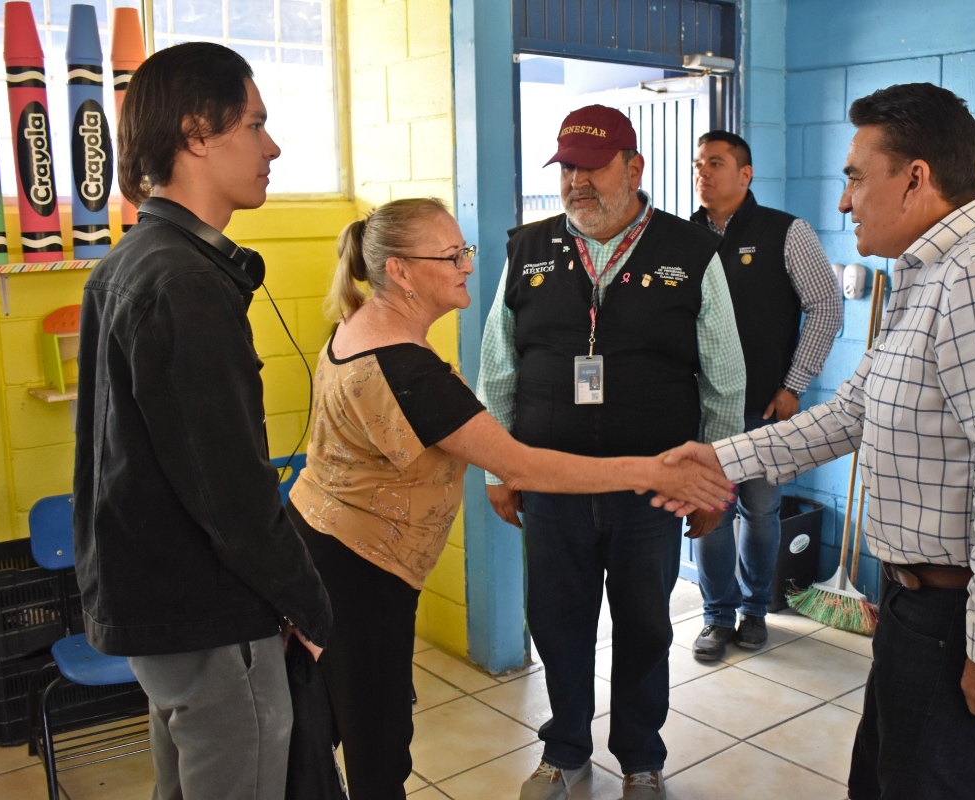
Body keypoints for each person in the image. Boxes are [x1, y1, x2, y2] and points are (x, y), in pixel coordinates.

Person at [658, 83, 975, 800]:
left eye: (855, 176)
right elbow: (853, 413)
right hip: (922, 607)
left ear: (915, 176)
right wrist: (720, 458)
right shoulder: (930, 275)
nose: (845, 200)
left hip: (963, 616)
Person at [285, 197, 734, 800]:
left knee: (349, 720)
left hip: (332, 548)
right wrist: (655, 471)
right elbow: (520, 462)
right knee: (375, 736)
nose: (467, 265)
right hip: (358, 567)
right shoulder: (408, 371)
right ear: (400, 271)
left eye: (464, 250)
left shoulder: (358, 327)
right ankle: (562, 746)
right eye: (451, 255)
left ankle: (639, 758)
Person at [72, 43, 331, 800]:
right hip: (208, 611)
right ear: (196, 133)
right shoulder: (183, 282)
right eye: (255, 125)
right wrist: (305, 600)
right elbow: (230, 488)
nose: (272, 146)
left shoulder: (130, 261)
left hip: (159, 607)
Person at [477, 104, 747, 800]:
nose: (576, 183)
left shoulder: (690, 253)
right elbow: (497, 371)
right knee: (557, 626)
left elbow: (725, 378)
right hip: (552, 486)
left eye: (591, 168)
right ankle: (565, 751)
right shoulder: (527, 249)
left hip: (652, 495)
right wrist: (497, 470)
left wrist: (715, 485)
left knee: (646, 631)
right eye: (566, 167)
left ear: (634, 168)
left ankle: (640, 758)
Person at [688, 130, 843, 660]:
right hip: (701, 409)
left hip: (762, 409)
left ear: (745, 174)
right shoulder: (681, 238)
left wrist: (794, 384)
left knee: (759, 511)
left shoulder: (785, 231)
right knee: (710, 512)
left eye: (715, 163)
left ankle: (755, 611)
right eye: (697, 164)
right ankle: (716, 616)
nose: (703, 173)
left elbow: (826, 306)